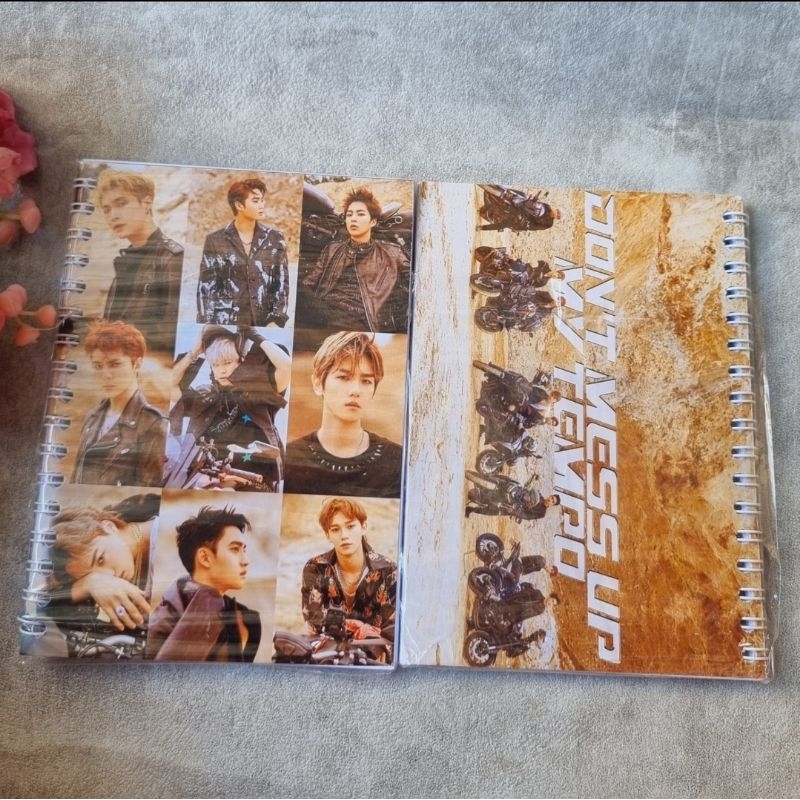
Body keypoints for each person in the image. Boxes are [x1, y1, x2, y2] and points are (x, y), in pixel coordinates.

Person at [167, 325, 290, 491]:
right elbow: (170, 386)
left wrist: (253, 335)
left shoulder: (260, 392)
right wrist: (194, 352)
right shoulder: (204, 395)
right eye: (215, 364)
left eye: (227, 362)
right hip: (205, 479)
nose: (222, 370)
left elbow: (286, 367)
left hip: (253, 480)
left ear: (241, 362)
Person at [283, 331, 403, 497]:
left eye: (366, 381)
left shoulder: (397, 461)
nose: (355, 390)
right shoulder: (288, 459)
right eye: (343, 377)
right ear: (318, 384)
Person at [146, 505, 261, 662]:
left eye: (244, 550)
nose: (245, 561)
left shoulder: (245, 620)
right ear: (205, 558)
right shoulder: (162, 623)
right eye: (235, 549)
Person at [299, 185, 410, 332]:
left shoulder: (392, 252)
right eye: (349, 215)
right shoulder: (332, 249)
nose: (353, 219)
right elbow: (309, 283)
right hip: (324, 314)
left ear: (373, 221)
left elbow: (414, 283)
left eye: (360, 214)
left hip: (361, 319)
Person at [96, 169, 184, 354]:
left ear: (146, 203)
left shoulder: (172, 258)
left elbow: (169, 338)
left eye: (121, 204)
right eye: (107, 209)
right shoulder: (124, 262)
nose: (113, 215)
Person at [72, 320, 167, 487]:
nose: (106, 374)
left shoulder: (153, 424)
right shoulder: (92, 417)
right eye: (98, 366)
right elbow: (76, 480)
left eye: (115, 364)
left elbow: (148, 492)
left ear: (137, 364)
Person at [46, 493, 159, 632]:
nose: (109, 577)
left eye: (100, 559)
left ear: (110, 527)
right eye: (89, 575)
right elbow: (46, 607)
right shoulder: (130, 560)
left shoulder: (162, 536)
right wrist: (87, 584)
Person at [301, 497, 396, 646]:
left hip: (375, 655)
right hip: (328, 653)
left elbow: (393, 631)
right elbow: (314, 622)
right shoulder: (315, 568)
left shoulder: (388, 571)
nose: (344, 535)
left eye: (350, 526)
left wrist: (342, 626)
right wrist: (360, 627)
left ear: (364, 527)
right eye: (335, 529)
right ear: (328, 535)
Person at [196, 177, 289, 327]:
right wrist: (209, 327)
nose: (262, 205)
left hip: (263, 323)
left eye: (262, 200)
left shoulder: (275, 238)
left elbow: (281, 284)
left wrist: (275, 319)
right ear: (239, 205)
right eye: (256, 201)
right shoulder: (215, 240)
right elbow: (206, 290)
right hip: (226, 323)